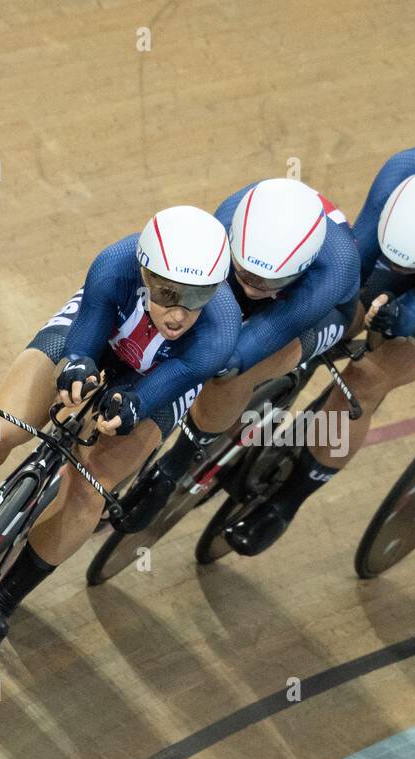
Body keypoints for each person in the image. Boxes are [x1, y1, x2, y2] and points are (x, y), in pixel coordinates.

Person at [0, 205, 241, 664]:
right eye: (167, 293)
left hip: (160, 380)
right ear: (144, 271)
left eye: (196, 298)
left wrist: (131, 405)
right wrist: (79, 363)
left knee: (89, 491)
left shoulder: (221, 331)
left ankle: (1, 606)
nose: (179, 313)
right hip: (100, 337)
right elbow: (88, 333)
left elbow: (169, 382)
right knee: (0, 429)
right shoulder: (115, 263)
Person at [224, 144, 415, 556]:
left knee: (366, 378)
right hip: (401, 245)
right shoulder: (404, 169)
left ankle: (287, 501)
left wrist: (402, 318)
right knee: (334, 312)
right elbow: (357, 264)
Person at [113, 178, 361, 533]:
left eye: (267, 282)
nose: (251, 287)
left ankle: (177, 464)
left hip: (317, 312)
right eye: (244, 273)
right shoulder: (229, 218)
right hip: (265, 272)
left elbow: (256, 341)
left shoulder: (335, 267)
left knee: (234, 368)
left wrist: (217, 355)